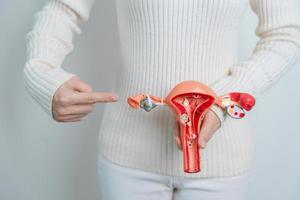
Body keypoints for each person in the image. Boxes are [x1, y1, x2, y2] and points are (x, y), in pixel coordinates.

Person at [23, 0, 300, 199]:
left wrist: (224, 100)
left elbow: (285, 33)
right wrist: (42, 73)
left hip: (221, 160)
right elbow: (63, 8)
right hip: (128, 155)